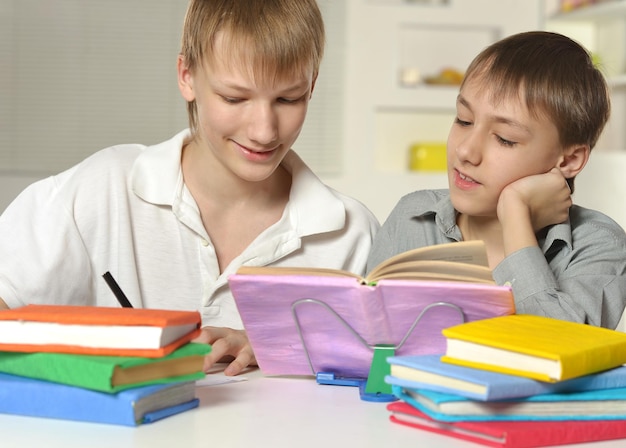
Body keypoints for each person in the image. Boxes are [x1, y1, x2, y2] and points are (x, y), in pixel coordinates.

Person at [0, 0, 379, 375]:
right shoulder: (101, 189)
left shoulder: (352, 235)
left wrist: (281, 347)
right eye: (234, 98)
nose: (264, 131)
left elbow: (386, 372)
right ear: (187, 76)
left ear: (311, 87)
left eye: (288, 99)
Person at [367, 31, 626, 329]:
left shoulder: (599, 244)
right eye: (463, 120)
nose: (465, 151)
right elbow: (367, 342)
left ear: (568, 161)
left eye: (505, 139)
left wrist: (515, 215)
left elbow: (552, 354)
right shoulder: (413, 217)